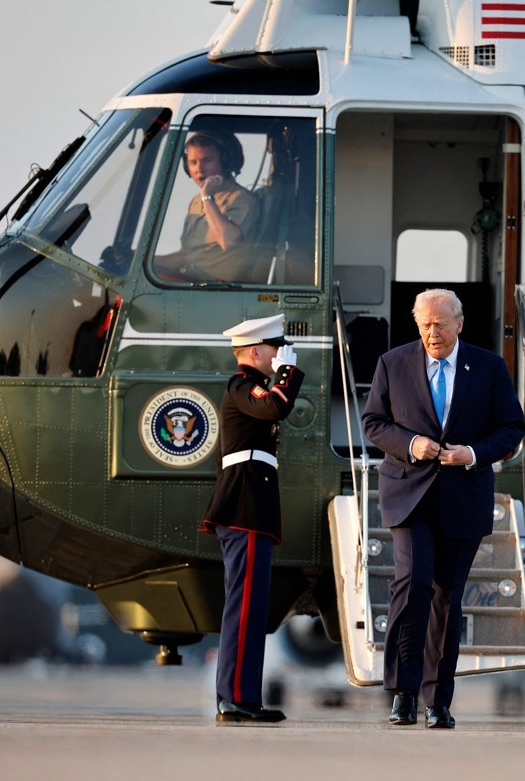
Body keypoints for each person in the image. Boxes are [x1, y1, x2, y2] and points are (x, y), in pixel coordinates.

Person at [362, 289, 525, 728]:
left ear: (459, 323)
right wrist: (411, 443)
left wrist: (472, 453)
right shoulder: (392, 363)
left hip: (463, 495)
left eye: (440, 324)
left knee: (447, 599)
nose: (432, 332)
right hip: (408, 493)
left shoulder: (488, 367)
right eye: (425, 325)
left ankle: (438, 701)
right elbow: (373, 422)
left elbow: (512, 428)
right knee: (412, 583)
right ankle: (402, 692)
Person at [199, 313, 303, 723]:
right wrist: (289, 373)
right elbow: (276, 407)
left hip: (253, 508)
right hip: (243, 505)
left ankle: (242, 696)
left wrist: (283, 373)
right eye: (275, 349)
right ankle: (233, 698)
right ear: (257, 351)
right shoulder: (242, 386)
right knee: (243, 606)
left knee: (251, 607)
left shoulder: (253, 387)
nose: (280, 355)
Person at [173, 131, 262, 282]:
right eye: (193, 162)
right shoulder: (196, 202)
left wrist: (207, 198)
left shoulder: (243, 200)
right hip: (191, 281)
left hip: (219, 289)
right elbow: (185, 256)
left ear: (225, 162)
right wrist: (135, 259)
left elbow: (229, 242)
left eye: (207, 160)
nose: (199, 169)